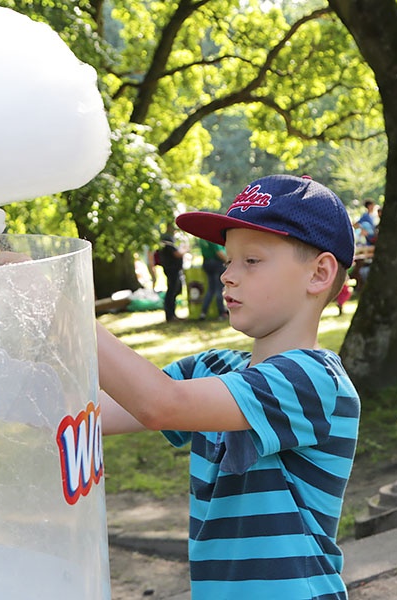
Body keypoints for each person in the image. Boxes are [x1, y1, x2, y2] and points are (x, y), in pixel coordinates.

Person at [97, 174, 360, 597]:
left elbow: (159, 405)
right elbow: (94, 411)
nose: (228, 276)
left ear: (319, 273)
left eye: (251, 261)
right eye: (227, 261)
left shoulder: (314, 381)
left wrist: (66, 303)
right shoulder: (213, 367)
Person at [157, 223, 188, 322]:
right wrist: (184, 249)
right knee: (172, 291)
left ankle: (172, 314)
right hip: (171, 269)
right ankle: (170, 315)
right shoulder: (167, 240)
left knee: (176, 290)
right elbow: (177, 254)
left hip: (173, 269)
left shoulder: (169, 239)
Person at [197, 236, 227, 320]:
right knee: (219, 289)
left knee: (211, 289)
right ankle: (221, 313)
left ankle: (203, 312)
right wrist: (229, 262)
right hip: (216, 264)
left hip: (207, 263)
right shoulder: (212, 237)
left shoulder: (202, 238)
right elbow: (219, 252)